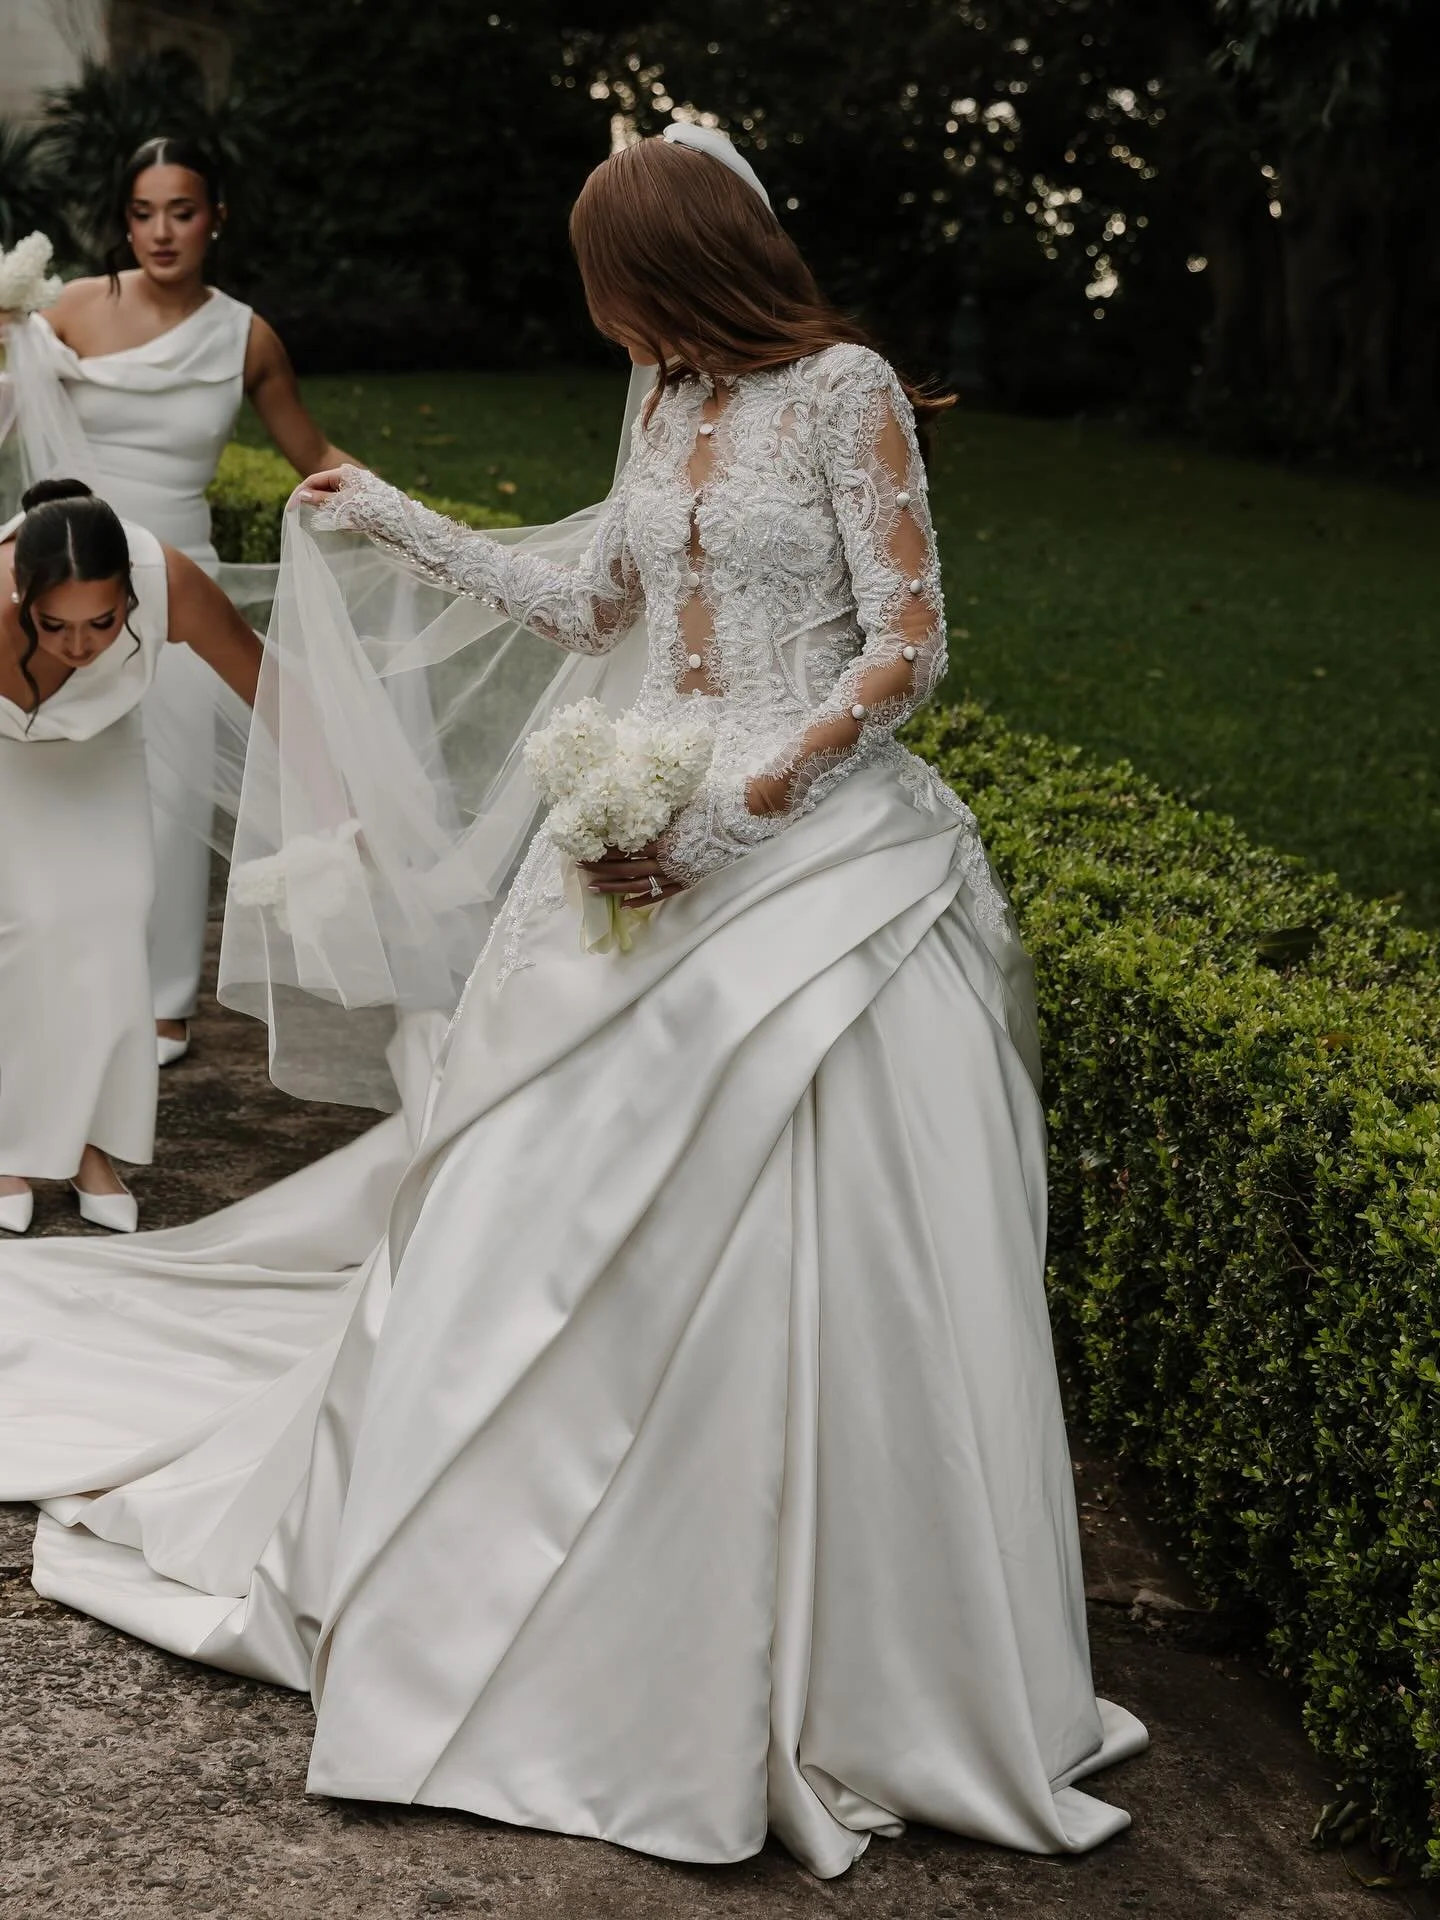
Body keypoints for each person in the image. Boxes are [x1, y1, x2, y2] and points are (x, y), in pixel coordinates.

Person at [0, 127, 1146, 1877]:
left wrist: (738, 811)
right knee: (512, 1202)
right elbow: (594, 599)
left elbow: (906, 650)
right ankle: (491, 1576)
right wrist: (380, 511)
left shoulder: (847, 396)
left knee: (810, 1238)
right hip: (632, 833)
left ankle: (825, 1649)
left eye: (614, 282)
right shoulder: (668, 400)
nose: (604, 315)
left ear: (681, 262)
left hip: (812, 852)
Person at [0, 135, 358, 1064]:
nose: (163, 232)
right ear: (125, 221)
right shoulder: (71, 306)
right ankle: (42, 984)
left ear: (216, 220)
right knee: (47, 790)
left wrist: (411, 520)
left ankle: (161, 1004)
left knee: (163, 805)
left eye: (183, 210)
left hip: (173, 582)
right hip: (64, 572)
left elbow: (313, 454)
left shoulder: (248, 337)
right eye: (145, 212)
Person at [0, 479, 262, 1235]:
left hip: (98, 747)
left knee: (114, 922)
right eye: (53, 624)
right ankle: (10, 1143)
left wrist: (345, 797)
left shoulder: (167, 578)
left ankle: (93, 1143)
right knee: (27, 924)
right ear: (20, 590)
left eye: (104, 622)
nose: (80, 646)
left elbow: (262, 678)